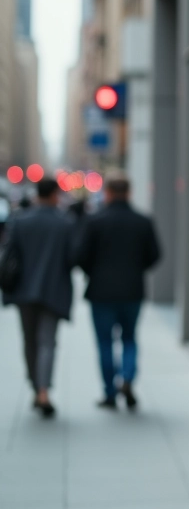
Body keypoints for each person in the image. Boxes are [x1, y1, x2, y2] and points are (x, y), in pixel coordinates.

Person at [75, 177, 162, 409]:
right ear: (129, 193)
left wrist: (94, 272)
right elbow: (154, 255)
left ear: (108, 193)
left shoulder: (95, 221)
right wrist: (135, 270)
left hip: (101, 292)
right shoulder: (142, 221)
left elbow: (80, 256)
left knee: (105, 342)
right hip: (132, 290)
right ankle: (128, 378)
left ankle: (110, 392)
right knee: (129, 338)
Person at [0, 178, 75, 418]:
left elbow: (9, 255)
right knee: (47, 342)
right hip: (54, 290)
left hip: (24, 291)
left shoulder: (21, 221)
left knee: (30, 341)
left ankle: (36, 387)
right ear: (54, 194)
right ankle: (43, 390)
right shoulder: (65, 222)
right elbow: (73, 257)